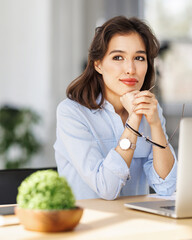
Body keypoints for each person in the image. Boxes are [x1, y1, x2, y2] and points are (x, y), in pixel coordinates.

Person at [54, 16, 177, 200]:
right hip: (87, 223)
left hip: (136, 222)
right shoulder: (72, 113)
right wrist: (134, 120)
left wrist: (156, 124)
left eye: (139, 58)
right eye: (118, 57)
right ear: (98, 64)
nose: (130, 69)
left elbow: (167, 186)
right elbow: (107, 189)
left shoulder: (151, 110)